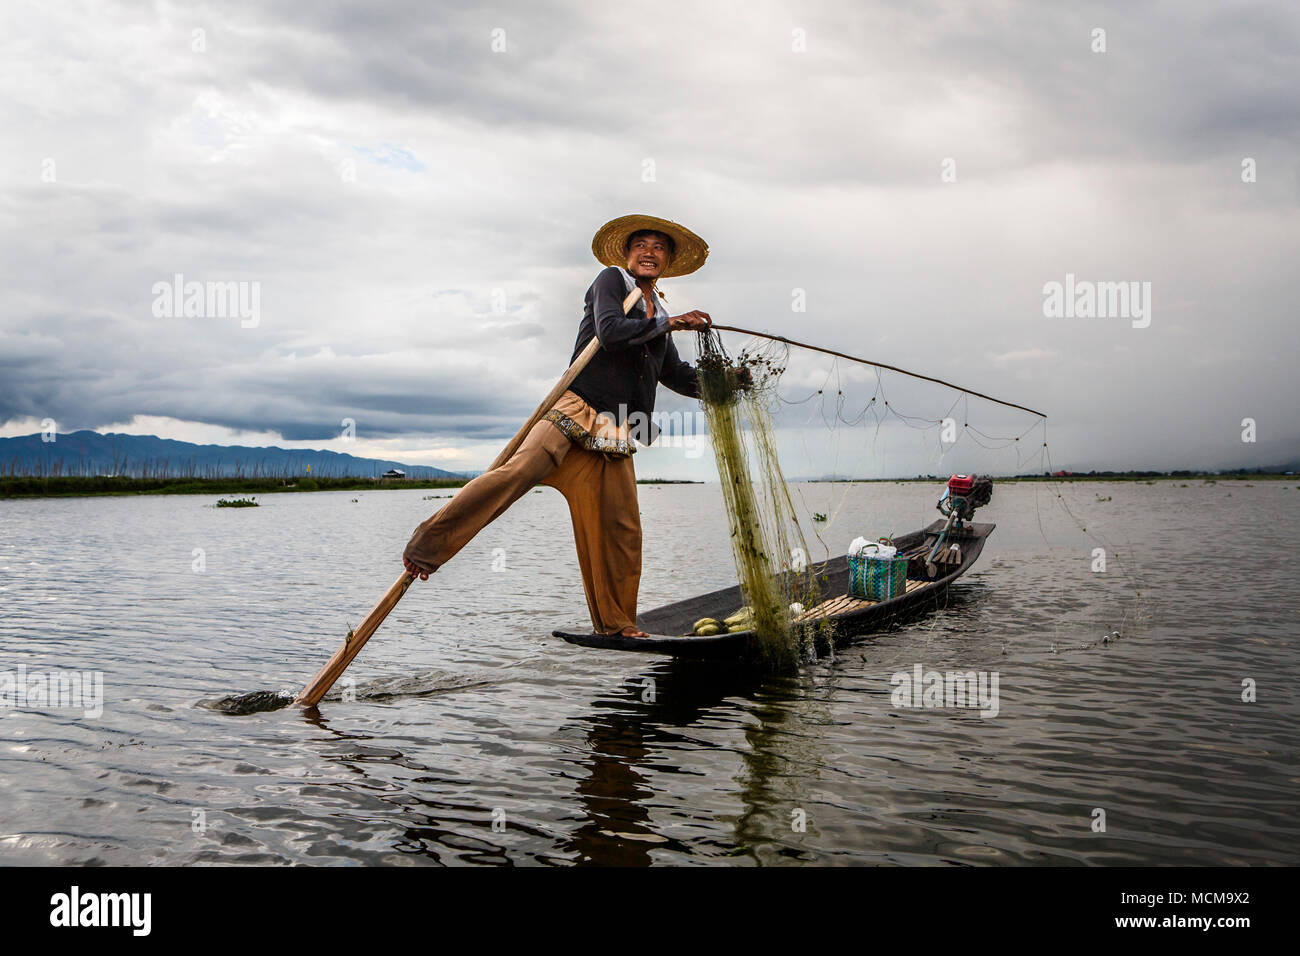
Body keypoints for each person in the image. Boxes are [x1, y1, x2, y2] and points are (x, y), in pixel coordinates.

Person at [402, 214, 712, 638]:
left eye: (659, 247)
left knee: (623, 532)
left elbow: (675, 374)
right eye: (641, 244)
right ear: (627, 253)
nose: (649, 252)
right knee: (517, 473)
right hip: (573, 411)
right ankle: (426, 549)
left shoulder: (659, 313)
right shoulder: (612, 282)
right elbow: (611, 331)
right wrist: (670, 324)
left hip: (613, 433)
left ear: (669, 260)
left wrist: (728, 383)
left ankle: (618, 623)